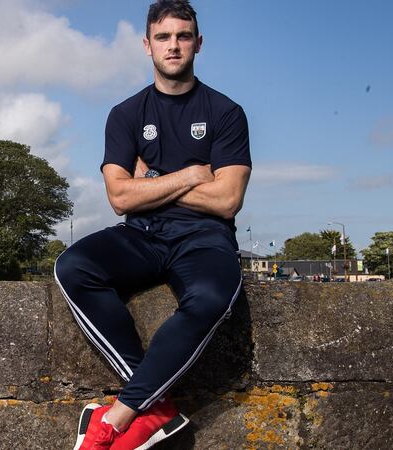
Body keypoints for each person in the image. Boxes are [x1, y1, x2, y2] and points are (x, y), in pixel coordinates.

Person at [53, 1, 251, 449]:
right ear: (147, 46)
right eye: (164, 37)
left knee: (212, 298)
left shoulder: (225, 112)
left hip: (204, 237)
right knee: (72, 266)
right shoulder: (126, 114)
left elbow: (227, 200)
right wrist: (191, 173)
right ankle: (155, 407)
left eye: (183, 36)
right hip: (142, 235)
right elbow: (120, 197)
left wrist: (152, 180)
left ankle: (125, 411)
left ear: (198, 43)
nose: (174, 45)